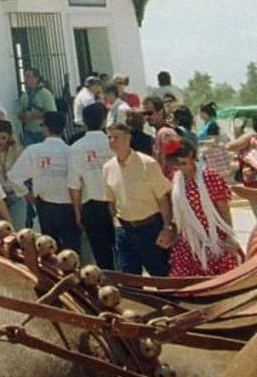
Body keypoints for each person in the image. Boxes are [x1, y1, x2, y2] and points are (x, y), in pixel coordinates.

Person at [159, 134, 242, 279]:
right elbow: (178, 213)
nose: (181, 168)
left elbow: (224, 210)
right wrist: (171, 231)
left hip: (213, 239)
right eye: (177, 165)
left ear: (192, 158)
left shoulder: (209, 177)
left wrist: (229, 236)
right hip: (188, 242)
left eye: (184, 163)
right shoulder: (176, 180)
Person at [104, 122, 175, 277]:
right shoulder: (108, 168)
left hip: (150, 229)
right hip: (125, 230)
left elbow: (163, 198)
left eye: (116, 137)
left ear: (128, 138)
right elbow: (111, 202)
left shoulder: (147, 164)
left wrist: (167, 227)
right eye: (109, 137)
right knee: (129, 279)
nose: (112, 141)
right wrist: (117, 226)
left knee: (160, 276)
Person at [9, 112, 81, 251]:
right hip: (70, 208)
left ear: (45, 128)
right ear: (63, 128)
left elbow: (14, 176)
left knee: (48, 252)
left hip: (45, 207)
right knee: (72, 251)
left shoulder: (34, 151)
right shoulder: (71, 152)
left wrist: (26, 193)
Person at [67, 104, 116, 269]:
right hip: (117, 204)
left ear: (84, 122)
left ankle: (109, 285)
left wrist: (77, 212)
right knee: (124, 252)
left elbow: (74, 185)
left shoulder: (76, 148)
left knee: (102, 255)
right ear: (104, 120)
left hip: (91, 206)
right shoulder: (114, 143)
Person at [0, 118, 28, 230]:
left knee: (17, 231)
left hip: (16, 195)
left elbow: (23, 167)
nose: (0, 141)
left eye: (4, 138)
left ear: (9, 137)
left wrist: (15, 142)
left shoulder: (17, 150)